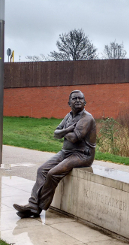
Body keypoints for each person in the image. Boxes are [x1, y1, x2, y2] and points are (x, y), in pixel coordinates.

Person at [14, 90, 96, 218]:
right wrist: (68, 129)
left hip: (82, 155)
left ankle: (39, 207)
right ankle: (33, 204)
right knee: (41, 170)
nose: (78, 100)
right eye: (74, 98)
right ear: (69, 102)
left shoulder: (87, 118)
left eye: (80, 98)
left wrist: (63, 132)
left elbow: (74, 138)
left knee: (52, 173)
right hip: (66, 153)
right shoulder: (68, 116)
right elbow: (55, 133)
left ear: (85, 102)